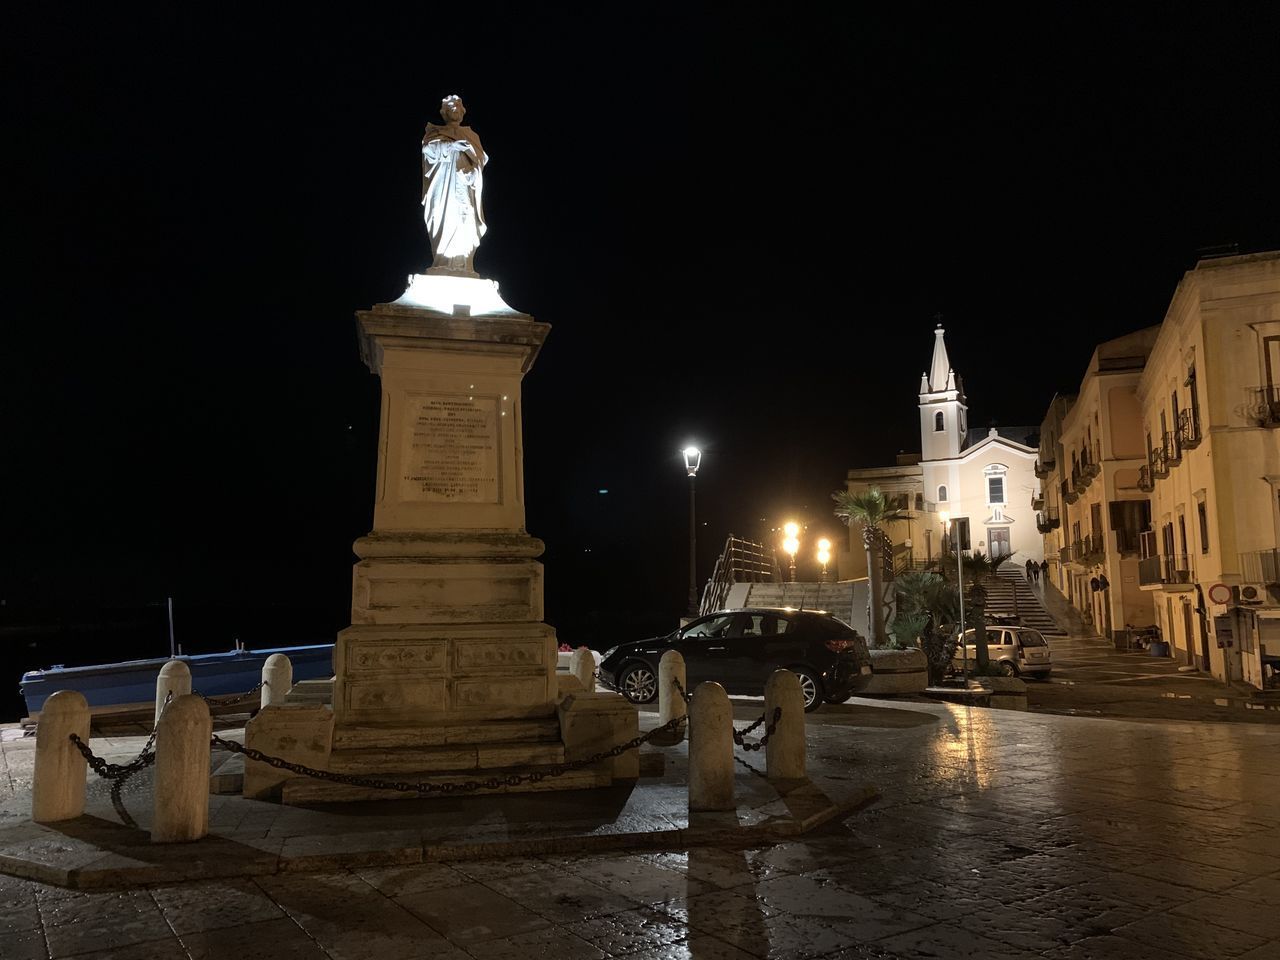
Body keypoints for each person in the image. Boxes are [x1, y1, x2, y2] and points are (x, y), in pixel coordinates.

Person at [421, 94, 487, 273]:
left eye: (457, 106)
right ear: (444, 112)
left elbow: (480, 161)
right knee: (445, 220)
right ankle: (443, 262)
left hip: (464, 188)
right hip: (443, 188)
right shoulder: (434, 132)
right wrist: (452, 146)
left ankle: (464, 265)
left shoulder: (471, 135)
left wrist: (473, 172)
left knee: (464, 221)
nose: (454, 109)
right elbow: (428, 150)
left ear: (463, 111)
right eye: (450, 107)